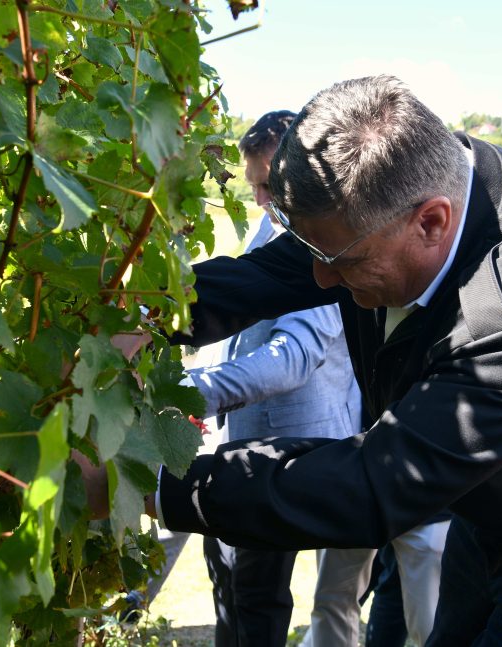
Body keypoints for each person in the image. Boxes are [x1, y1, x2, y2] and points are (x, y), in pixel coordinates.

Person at [83, 74, 502, 644]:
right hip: (497, 504)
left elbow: (377, 483)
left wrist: (146, 481)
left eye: (342, 261)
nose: (321, 281)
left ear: (432, 223)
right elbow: (273, 274)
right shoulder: (398, 190)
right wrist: (145, 317)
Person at [189, 110, 372, 647]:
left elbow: (292, 356)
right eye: (254, 189)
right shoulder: (271, 226)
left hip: (297, 450)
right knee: (233, 589)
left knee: (261, 599)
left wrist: (195, 390)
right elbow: (241, 322)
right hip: (247, 440)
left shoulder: (322, 243)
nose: (263, 202)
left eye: (269, 185)